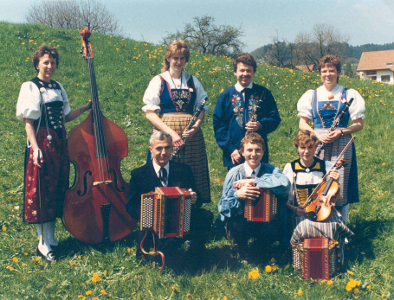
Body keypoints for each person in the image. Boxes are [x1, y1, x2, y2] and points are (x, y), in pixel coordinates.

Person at [16, 45, 91, 261]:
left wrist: (85, 108)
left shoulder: (58, 87)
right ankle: (42, 242)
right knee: (41, 190)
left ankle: (51, 237)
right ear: (37, 63)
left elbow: (66, 117)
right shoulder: (30, 87)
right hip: (42, 143)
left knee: (57, 187)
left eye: (53, 63)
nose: (50, 66)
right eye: (46, 62)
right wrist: (35, 148)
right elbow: (29, 123)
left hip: (59, 143)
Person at [297, 54, 365, 224]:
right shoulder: (312, 95)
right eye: (324, 71)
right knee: (318, 181)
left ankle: (341, 225)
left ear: (338, 72)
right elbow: (302, 123)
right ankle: (317, 220)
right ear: (320, 73)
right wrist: (316, 134)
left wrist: (341, 132)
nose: (327, 74)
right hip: (318, 143)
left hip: (341, 142)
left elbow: (359, 124)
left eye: (331, 71)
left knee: (339, 185)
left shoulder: (349, 93)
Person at [142, 40, 211, 204]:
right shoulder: (158, 80)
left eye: (182, 58)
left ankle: (190, 209)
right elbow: (150, 114)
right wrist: (171, 134)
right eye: (175, 58)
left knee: (191, 171)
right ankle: (161, 205)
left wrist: (195, 127)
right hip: (166, 133)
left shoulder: (193, 80)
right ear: (168, 58)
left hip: (191, 137)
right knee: (163, 168)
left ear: (186, 60)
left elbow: (201, 107)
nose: (179, 62)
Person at [126, 131, 213, 262]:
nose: (163, 152)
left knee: (206, 215)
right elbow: (130, 205)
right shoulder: (139, 174)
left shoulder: (183, 170)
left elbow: (197, 197)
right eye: (159, 148)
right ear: (151, 150)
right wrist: (149, 215)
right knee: (165, 251)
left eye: (167, 148)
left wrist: (194, 198)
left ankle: (195, 252)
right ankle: (168, 248)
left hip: (180, 220)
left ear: (172, 149)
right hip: (154, 224)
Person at [217, 133, 290, 258]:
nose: (253, 154)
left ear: (263, 152)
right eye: (249, 150)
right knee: (237, 226)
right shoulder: (234, 173)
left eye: (258, 150)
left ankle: (260, 247)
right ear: (242, 152)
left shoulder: (271, 170)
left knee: (272, 227)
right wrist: (237, 195)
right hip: (241, 219)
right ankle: (242, 246)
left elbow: (285, 185)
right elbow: (222, 208)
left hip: (266, 220)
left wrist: (255, 181)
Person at [213, 53, 281, 169]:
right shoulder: (225, 96)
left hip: (258, 154)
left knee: (259, 185)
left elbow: (274, 118)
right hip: (235, 155)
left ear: (254, 72)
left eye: (248, 71)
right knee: (236, 185)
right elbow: (219, 125)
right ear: (235, 72)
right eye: (242, 70)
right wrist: (231, 148)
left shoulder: (264, 93)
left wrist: (260, 125)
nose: (245, 74)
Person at [283, 131, 340, 231]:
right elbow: (283, 198)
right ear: (297, 148)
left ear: (315, 148)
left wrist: (336, 182)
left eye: (310, 147)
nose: (306, 151)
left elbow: (334, 200)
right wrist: (295, 209)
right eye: (302, 147)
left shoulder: (326, 166)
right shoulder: (290, 168)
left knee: (332, 229)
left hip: (323, 212)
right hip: (299, 213)